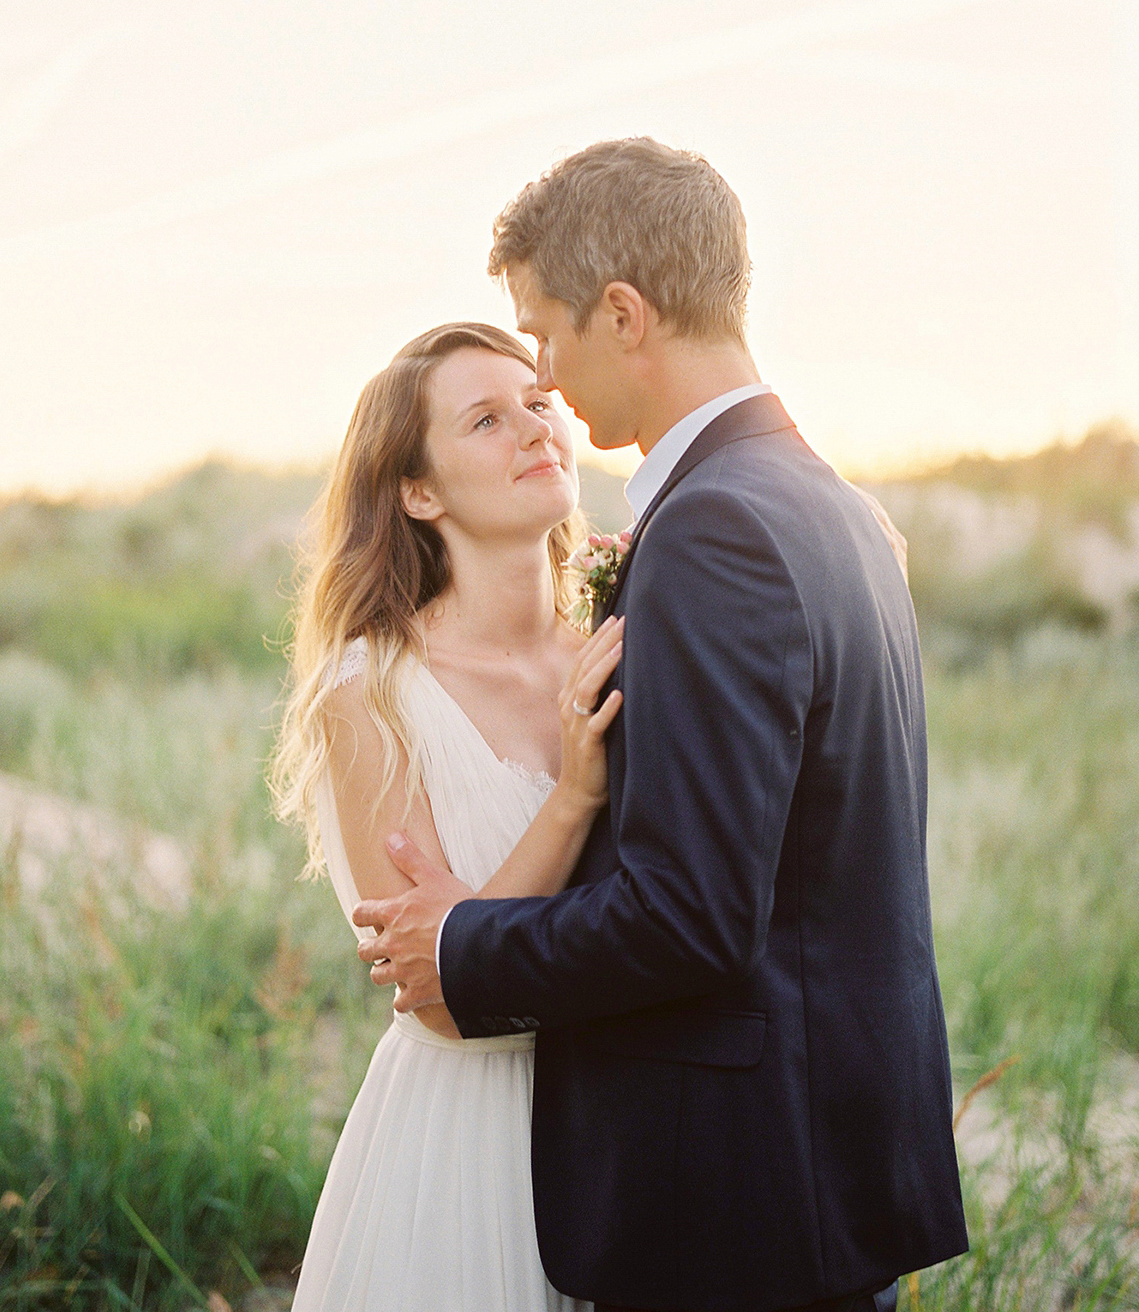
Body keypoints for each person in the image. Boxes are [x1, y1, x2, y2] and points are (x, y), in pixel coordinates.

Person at [353, 138, 969, 1312]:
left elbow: (694, 915)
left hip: (735, 1199)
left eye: (545, 327)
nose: (544, 371)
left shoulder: (716, 530)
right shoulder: (825, 502)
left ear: (623, 313)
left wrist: (458, 950)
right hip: (821, 1163)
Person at [270, 320, 627, 1312]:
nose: (534, 430)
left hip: (628, 1123)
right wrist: (573, 797)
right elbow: (439, 995)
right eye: (485, 419)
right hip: (471, 1144)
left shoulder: (616, 640)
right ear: (418, 493)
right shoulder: (372, 695)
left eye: (539, 405)